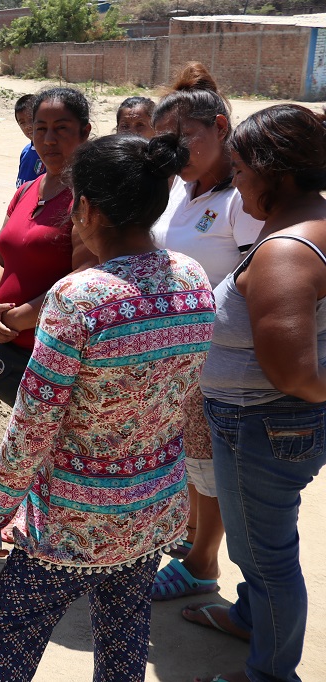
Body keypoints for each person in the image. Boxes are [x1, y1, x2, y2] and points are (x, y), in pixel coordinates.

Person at [0, 133, 214, 682]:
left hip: (75, 523)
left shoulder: (81, 297)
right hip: (153, 509)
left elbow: (34, 421)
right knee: (123, 636)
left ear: (88, 207)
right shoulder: (192, 278)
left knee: (0, 630)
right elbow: (185, 396)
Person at [187, 104, 326, 682]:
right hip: (267, 423)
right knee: (258, 545)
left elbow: (292, 373)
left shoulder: (287, 252)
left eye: (242, 170)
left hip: (261, 426)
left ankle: (270, 672)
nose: (235, 183)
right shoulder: (311, 220)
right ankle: (250, 617)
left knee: (265, 558)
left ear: (279, 172)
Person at [147, 63, 263, 603]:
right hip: (182, 356)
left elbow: (254, 279)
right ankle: (193, 539)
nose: (173, 152)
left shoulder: (241, 199)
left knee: (210, 463)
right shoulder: (183, 189)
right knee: (193, 458)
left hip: (219, 358)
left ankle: (202, 565)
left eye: (183, 139)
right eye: (164, 143)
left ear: (220, 127)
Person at [0, 88, 95, 401]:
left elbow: (82, 283)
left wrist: (16, 319)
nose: (49, 140)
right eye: (40, 130)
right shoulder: (27, 191)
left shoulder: (87, 199)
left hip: (51, 360)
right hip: (6, 348)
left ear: (84, 132)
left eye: (61, 129)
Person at [14, 94, 43, 187]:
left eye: (31, 120)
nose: (28, 126)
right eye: (22, 122)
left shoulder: (50, 153)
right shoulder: (26, 151)